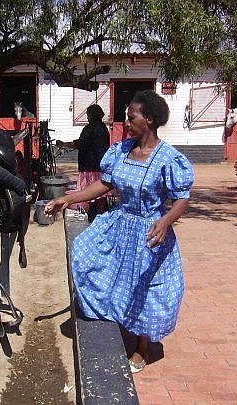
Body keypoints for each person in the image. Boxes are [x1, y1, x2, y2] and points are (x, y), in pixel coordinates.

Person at [45, 90, 194, 373]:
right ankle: (114, 317)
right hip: (120, 224)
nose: (126, 123)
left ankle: (142, 349)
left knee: (144, 288)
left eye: (130, 117)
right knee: (90, 256)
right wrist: (68, 198)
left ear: (148, 119)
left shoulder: (169, 159)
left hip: (150, 231)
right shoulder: (122, 151)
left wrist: (165, 222)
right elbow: (105, 184)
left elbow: (182, 199)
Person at [57, 104, 111, 221]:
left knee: (89, 193)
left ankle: (93, 217)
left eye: (88, 115)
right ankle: (101, 215)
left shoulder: (90, 128)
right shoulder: (104, 128)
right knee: (101, 194)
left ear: (92, 115)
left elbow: (80, 144)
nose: (87, 117)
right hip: (101, 165)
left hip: (90, 166)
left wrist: (63, 144)